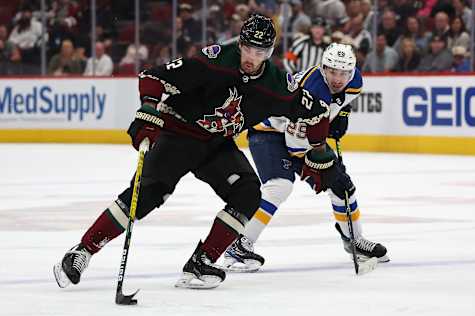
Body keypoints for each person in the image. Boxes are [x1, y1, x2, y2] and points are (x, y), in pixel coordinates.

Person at [53, 14, 331, 290]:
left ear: (269, 52)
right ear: (240, 43)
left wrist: (318, 151)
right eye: (247, 48)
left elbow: (315, 112)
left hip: (216, 145)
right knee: (146, 195)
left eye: (259, 52)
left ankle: (201, 262)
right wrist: (149, 109)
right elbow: (153, 77)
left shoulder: (277, 85)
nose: (250, 57)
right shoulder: (215, 60)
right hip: (178, 134)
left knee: (248, 194)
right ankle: (82, 252)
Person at [222, 43, 389, 272]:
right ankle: (238, 245)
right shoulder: (312, 91)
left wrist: (341, 114)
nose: (338, 79)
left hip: (301, 132)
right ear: (323, 69)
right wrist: (322, 163)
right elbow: (296, 141)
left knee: (343, 188)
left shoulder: (355, 81)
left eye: (343, 73)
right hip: (269, 131)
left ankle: (354, 240)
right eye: (332, 72)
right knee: (279, 186)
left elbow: (333, 108)